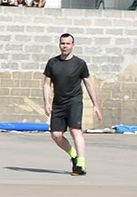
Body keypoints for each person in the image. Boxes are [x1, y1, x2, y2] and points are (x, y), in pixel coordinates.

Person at [43, 33, 103, 176]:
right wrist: (47, 102)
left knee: (75, 130)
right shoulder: (52, 63)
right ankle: (74, 154)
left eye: (68, 44)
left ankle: (80, 165)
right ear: (59, 45)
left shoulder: (80, 64)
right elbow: (46, 84)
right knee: (56, 135)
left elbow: (88, 83)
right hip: (58, 103)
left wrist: (96, 104)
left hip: (74, 102)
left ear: (73, 45)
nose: (65, 46)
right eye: (62, 43)